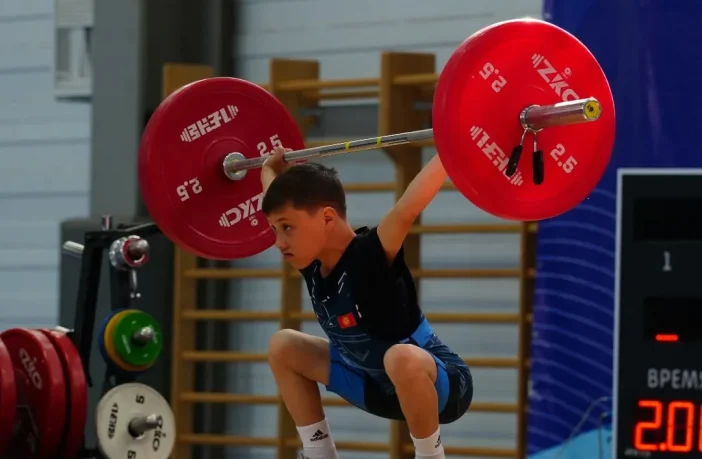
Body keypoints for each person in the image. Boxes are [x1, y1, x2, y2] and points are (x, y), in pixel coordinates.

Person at [260, 146, 473, 459]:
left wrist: (451, 146)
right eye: (274, 229)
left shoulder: (371, 253)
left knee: (400, 357)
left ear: (327, 217)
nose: (279, 242)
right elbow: (278, 200)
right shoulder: (314, 265)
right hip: (373, 388)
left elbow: (409, 207)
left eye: (287, 227)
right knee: (284, 346)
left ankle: (430, 455)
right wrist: (269, 169)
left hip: (442, 388)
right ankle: (319, 452)